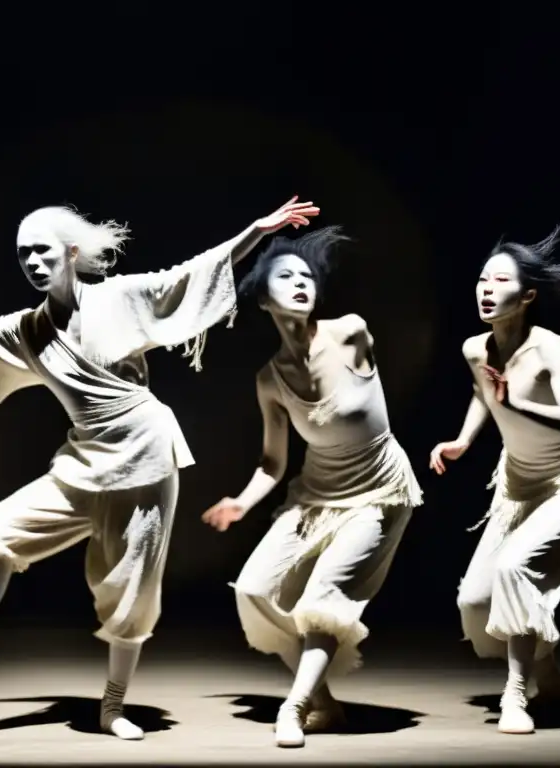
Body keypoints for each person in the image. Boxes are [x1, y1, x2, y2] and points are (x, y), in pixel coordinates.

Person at [0, 197, 320, 740]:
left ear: (71, 252)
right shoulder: (28, 328)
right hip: (85, 461)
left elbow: (194, 271)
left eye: (41, 251)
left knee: (132, 591)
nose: (33, 263)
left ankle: (113, 706)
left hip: (146, 457)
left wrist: (256, 228)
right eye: (22, 257)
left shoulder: (120, 297)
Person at [202, 227, 422, 747]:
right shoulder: (269, 379)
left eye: (308, 276)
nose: (301, 283)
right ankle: (325, 701)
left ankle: (295, 707)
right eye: (286, 276)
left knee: (324, 596)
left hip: (379, 493)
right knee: (255, 590)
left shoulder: (350, 332)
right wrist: (241, 501)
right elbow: (272, 464)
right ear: (262, 299)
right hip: (314, 497)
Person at [429, 223, 560, 735]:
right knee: (473, 603)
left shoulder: (551, 348)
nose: (486, 288)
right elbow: (483, 395)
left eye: (500, 280)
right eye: (482, 279)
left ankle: (515, 696)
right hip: (516, 485)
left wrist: (518, 403)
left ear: (527, 294)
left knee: (513, 569)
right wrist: (463, 440)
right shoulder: (474, 349)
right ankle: (546, 670)